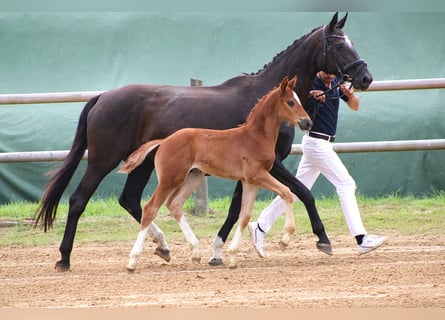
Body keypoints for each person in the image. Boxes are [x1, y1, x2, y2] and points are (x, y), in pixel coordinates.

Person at [248, 71, 387, 256]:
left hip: (324, 143)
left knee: (298, 191)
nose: (330, 77)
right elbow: (297, 108)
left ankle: (260, 226)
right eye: (326, 73)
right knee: (346, 184)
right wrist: (311, 97)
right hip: (316, 143)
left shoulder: (336, 82)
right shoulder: (311, 84)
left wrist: (351, 95)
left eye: (332, 74)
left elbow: (354, 106)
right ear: (319, 70)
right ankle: (361, 239)